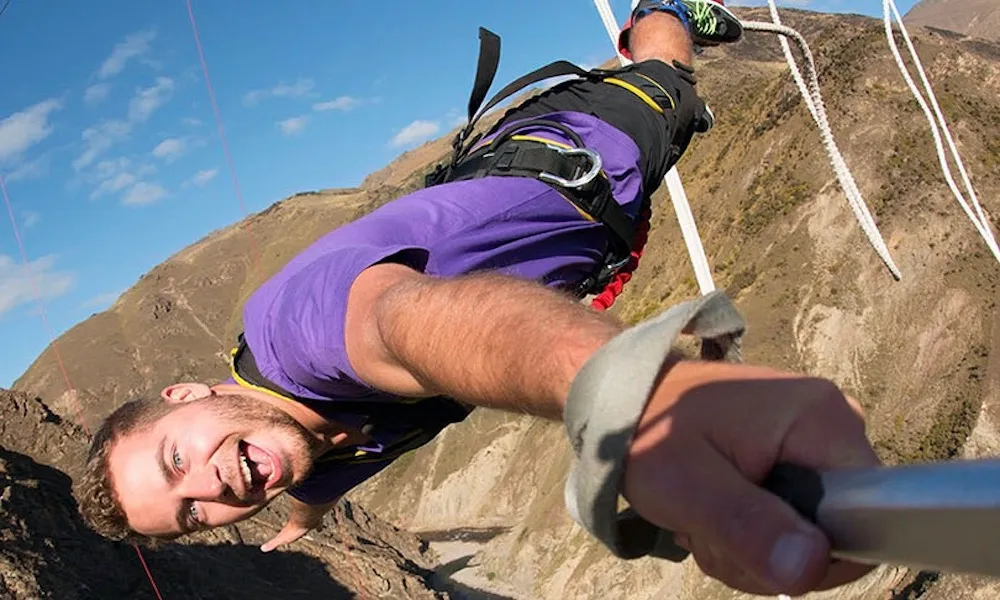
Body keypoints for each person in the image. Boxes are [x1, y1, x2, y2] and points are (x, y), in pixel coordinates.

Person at [75, 1, 880, 597]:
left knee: (669, 77)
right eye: (190, 516)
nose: (212, 489)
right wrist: (296, 528)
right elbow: (317, 493)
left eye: (175, 460)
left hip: (583, 156)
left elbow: (411, 325)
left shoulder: (297, 334)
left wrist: (638, 396)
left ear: (183, 395)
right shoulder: (305, 458)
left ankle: (659, 11)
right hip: (583, 227)